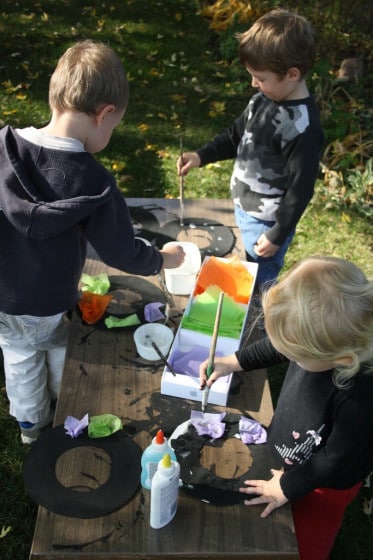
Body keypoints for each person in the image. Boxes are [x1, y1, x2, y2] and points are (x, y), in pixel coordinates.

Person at [0, 40, 185, 444]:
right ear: (104, 114)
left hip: (5, 294)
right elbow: (120, 251)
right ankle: (57, 403)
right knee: (54, 346)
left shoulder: (4, 146)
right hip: (49, 299)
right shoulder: (94, 183)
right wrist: (162, 260)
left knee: (17, 355)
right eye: (114, 127)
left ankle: (30, 424)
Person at [199, 256, 373, 560]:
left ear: (342, 360)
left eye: (295, 355)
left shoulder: (361, 398)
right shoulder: (326, 344)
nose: (286, 354)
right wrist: (233, 363)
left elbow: (335, 459)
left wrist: (288, 487)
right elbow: (277, 346)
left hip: (327, 486)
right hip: (294, 453)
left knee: (304, 539)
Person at [178, 8, 324, 291]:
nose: (253, 83)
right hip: (246, 209)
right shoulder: (262, 100)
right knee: (249, 267)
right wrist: (200, 156)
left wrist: (277, 234)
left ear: (292, 74)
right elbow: (235, 136)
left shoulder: (303, 128)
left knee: (261, 281)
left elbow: (300, 189)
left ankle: (264, 323)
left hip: (266, 223)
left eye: (260, 77)